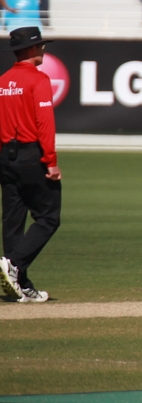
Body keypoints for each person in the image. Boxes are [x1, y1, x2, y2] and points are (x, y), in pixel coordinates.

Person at [0, 27, 60, 303]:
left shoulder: (3, 81)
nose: (43, 49)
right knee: (48, 217)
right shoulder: (38, 79)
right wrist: (51, 161)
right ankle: (12, 265)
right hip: (30, 154)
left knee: (13, 220)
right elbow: (44, 123)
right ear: (31, 50)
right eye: (40, 46)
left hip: (4, 156)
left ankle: (19, 285)